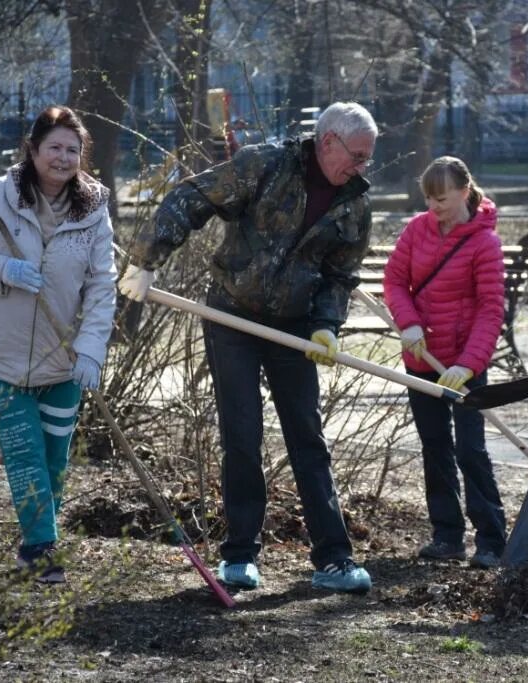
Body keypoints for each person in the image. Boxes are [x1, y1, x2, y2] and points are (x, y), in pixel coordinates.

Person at [118, 101, 376, 594]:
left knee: (308, 439)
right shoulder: (265, 165)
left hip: (294, 327)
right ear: (327, 143)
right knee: (241, 433)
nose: (362, 168)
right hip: (232, 316)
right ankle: (239, 556)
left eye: (367, 158)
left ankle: (334, 559)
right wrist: (148, 258)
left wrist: (326, 326)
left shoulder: (355, 205)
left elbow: (340, 276)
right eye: (358, 156)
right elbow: (190, 197)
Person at [0, 105, 117, 584]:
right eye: (54, 147)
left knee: (53, 457)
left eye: (73, 150)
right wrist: (3, 270)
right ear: (34, 149)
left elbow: (103, 285)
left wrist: (90, 350)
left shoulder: (93, 208)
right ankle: (43, 549)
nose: (63, 158)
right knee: (24, 452)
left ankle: (34, 542)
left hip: (62, 357)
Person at [383, 157, 507, 569]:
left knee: (471, 448)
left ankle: (491, 539)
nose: (433, 207)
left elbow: (491, 309)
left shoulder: (484, 242)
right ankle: (446, 536)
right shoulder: (417, 229)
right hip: (422, 357)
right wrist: (409, 324)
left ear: (464, 192)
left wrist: (470, 365)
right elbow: (395, 281)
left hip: (465, 365)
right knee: (435, 447)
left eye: (442, 199)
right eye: (429, 199)